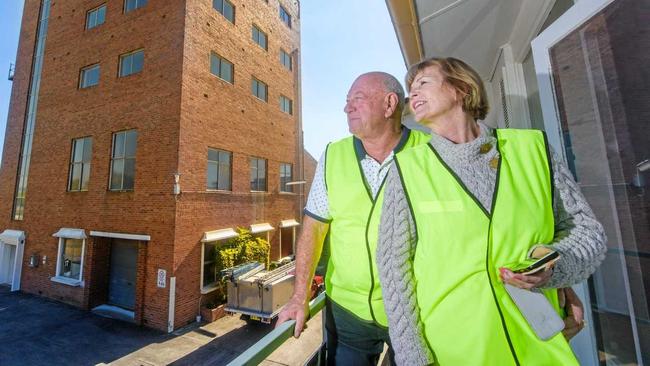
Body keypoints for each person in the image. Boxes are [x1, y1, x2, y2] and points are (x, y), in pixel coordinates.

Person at [376, 57, 607, 365]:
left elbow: (587, 231)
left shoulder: (532, 150)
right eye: (410, 88)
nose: (412, 94)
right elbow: (393, 269)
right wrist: (413, 357)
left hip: (541, 347)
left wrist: (555, 267)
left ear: (460, 88)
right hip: (456, 352)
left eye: (423, 83)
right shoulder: (406, 170)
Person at [276, 72, 430, 365]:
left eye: (356, 100)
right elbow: (314, 230)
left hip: (413, 311)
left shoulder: (429, 152)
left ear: (389, 104)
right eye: (346, 102)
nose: (347, 108)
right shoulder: (334, 155)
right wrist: (299, 297)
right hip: (347, 314)